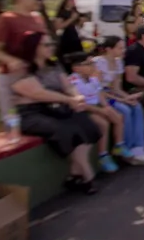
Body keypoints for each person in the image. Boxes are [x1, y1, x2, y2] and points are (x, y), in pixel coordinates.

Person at [9, 32, 101, 194]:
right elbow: (39, 93)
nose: (51, 47)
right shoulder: (21, 69)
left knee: (88, 126)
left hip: (56, 107)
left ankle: (74, 174)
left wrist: (76, 96)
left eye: (51, 44)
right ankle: (88, 175)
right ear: (34, 48)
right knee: (69, 131)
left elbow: (67, 85)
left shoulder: (53, 65)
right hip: (32, 114)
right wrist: (69, 100)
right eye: (46, 45)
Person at [66, 52, 135, 172]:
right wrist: (101, 110)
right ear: (77, 68)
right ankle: (103, 155)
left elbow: (100, 94)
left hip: (97, 106)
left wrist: (106, 107)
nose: (93, 66)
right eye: (88, 64)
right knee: (103, 124)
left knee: (118, 117)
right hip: (84, 110)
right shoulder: (72, 81)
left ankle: (118, 145)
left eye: (93, 63)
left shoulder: (93, 78)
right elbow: (80, 103)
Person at [0, 0, 47, 120]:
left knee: (36, 116)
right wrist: (11, 60)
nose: (40, 2)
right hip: (12, 76)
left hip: (35, 74)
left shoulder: (37, 18)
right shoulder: (6, 19)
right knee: (11, 118)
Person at [92, 36, 144, 164]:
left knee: (136, 106)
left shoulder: (118, 62)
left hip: (112, 94)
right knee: (124, 110)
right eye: (120, 48)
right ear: (108, 49)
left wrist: (127, 98)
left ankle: (138, 148)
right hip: (101, 97)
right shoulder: (97, 63)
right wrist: (123, 101)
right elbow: (99, 90)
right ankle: (126, 149)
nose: (123, 50)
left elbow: (116, 88)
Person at [54, 0, 85, 73]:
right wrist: (72, 19)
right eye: (71, 1)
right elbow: (59, 26)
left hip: (74, 37)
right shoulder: (62, 13)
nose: (73, 3)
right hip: (66, 38)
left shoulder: (75, 12)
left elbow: (77, 26)